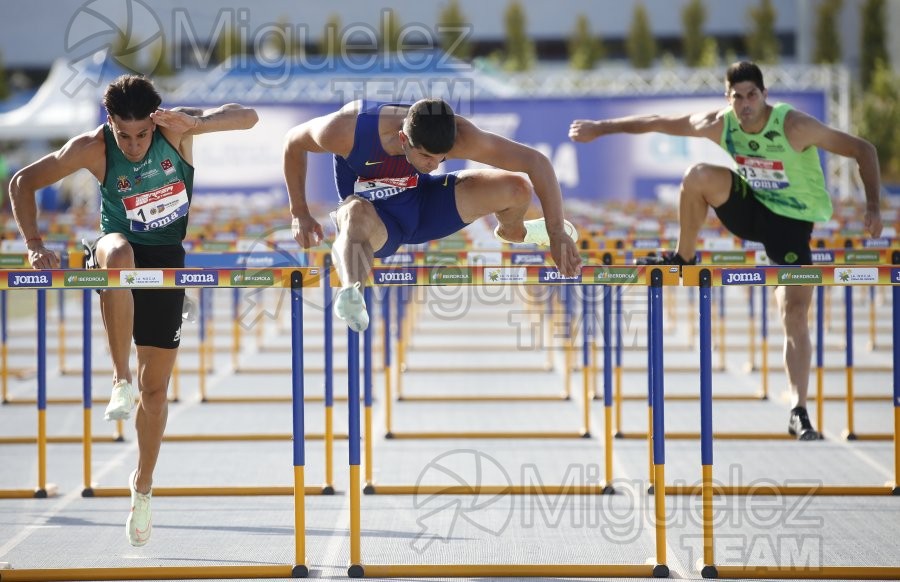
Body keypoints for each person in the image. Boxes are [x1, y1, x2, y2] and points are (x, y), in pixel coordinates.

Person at [568, 61, 883, 441]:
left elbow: (863, 150)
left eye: (753, 95)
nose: (746, 103)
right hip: (750, 209)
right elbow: (657, 121)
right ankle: (683, 258)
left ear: (764, 95)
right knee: (698, 175)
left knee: (795, 314)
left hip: (791, 227)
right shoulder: (720, 123)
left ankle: (798, 408)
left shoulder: (794, 125)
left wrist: (873, 208)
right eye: (738, 97)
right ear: (728, 99)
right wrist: (601, 128)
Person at [9, 75, 258, 545]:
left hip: (167, 259)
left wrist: (197, 123)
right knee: (119, 254)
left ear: (154, 122)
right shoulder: (94, 147)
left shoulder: (175, 131)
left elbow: (249, 117)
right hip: (114, 249)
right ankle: (119, 380)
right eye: (125, 135)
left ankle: (142, 485)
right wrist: (35, 245)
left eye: (142, 133)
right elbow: (22, 181)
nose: (136, 143)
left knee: (158, 392)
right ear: (110, 124)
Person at [283, 98, 582, 332]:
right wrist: (300, 212)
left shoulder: (460, 134)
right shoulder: (346, 129)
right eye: (426, 157)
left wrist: (556, 232)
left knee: (517, 188)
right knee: (353, 212)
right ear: (403, 139)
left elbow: (536, 161)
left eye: (442, 158)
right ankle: (351, 293)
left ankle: (516, 232)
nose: (435, 165)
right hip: (377, 221)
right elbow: (293, 142)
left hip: (427, 205)